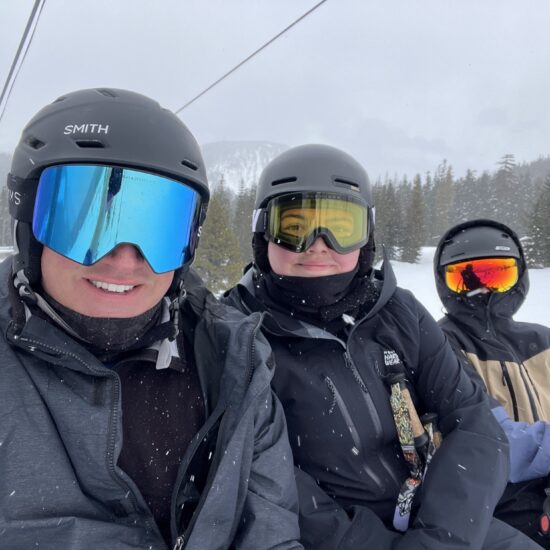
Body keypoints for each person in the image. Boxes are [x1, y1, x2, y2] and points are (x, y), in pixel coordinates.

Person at [0, 88, 303, 550]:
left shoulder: (232, 361)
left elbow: (272, 531)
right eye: (83, 224)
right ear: (28, 224)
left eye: (157, 230)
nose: (124, 260)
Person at [223, 144, 542, 549]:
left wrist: (442, 535)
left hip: (444, 522)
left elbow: (472, 420)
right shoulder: (238, 333)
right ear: (263, 233)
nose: (319, 245)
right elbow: (263, 479)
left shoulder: (397, 312)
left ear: (367, 237)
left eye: (341, 227)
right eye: (296, 226)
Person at [434, 218, 550, 547]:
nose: (484, 290)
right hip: (495, 503)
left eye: (499, 275)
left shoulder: (542, 339)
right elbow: (491, 440)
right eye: (465, 279)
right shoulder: (442, 344)